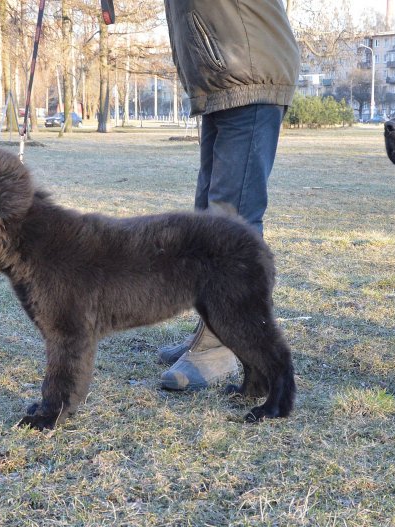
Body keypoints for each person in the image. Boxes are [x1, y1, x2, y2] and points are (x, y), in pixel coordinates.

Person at [158, 0, 300, 390]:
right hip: (224, 72)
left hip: (246, 67)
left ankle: (224, 343)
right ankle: (213, 327)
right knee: (208, 218)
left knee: (230, 222)